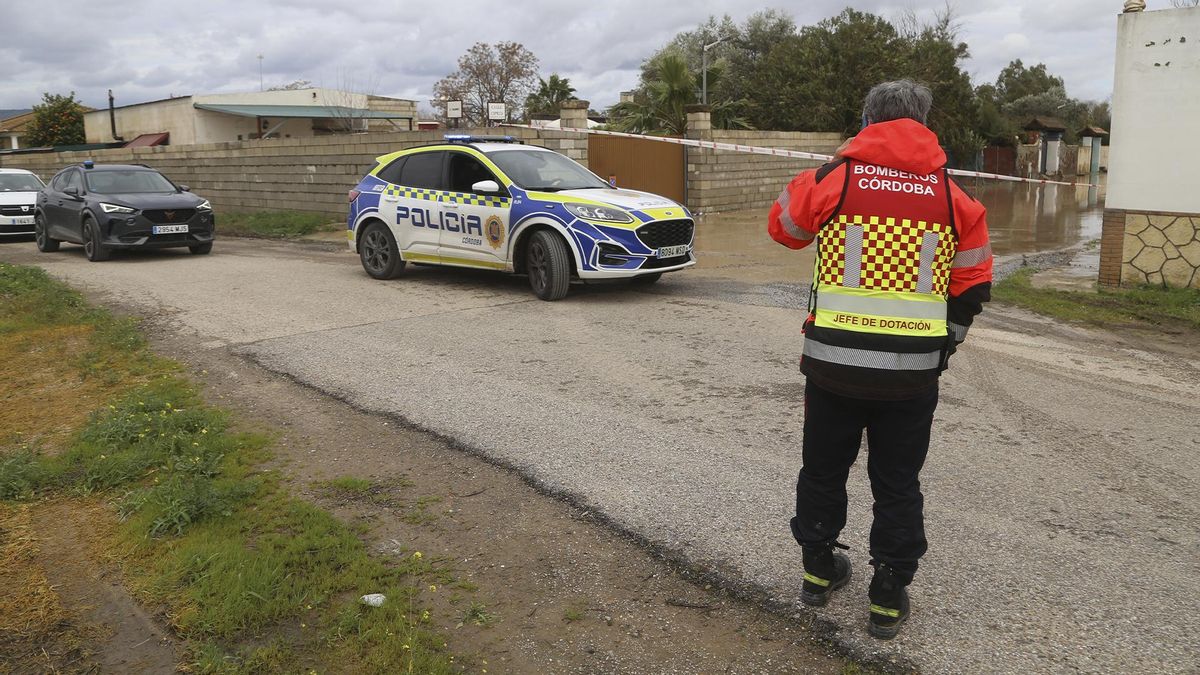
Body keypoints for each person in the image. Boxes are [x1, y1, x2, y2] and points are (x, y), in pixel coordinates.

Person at [767, 80, 992, 639]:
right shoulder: (953, 197)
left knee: (822, 470)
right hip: (911, 376)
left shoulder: (836, 179)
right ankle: (888, 594)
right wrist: (948, 342)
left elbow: (784, 230)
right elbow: (973, 284)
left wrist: (822, 172)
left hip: (831, 367)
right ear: (923, 122)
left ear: (867, 120)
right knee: (897, 481)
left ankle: (818, 573)